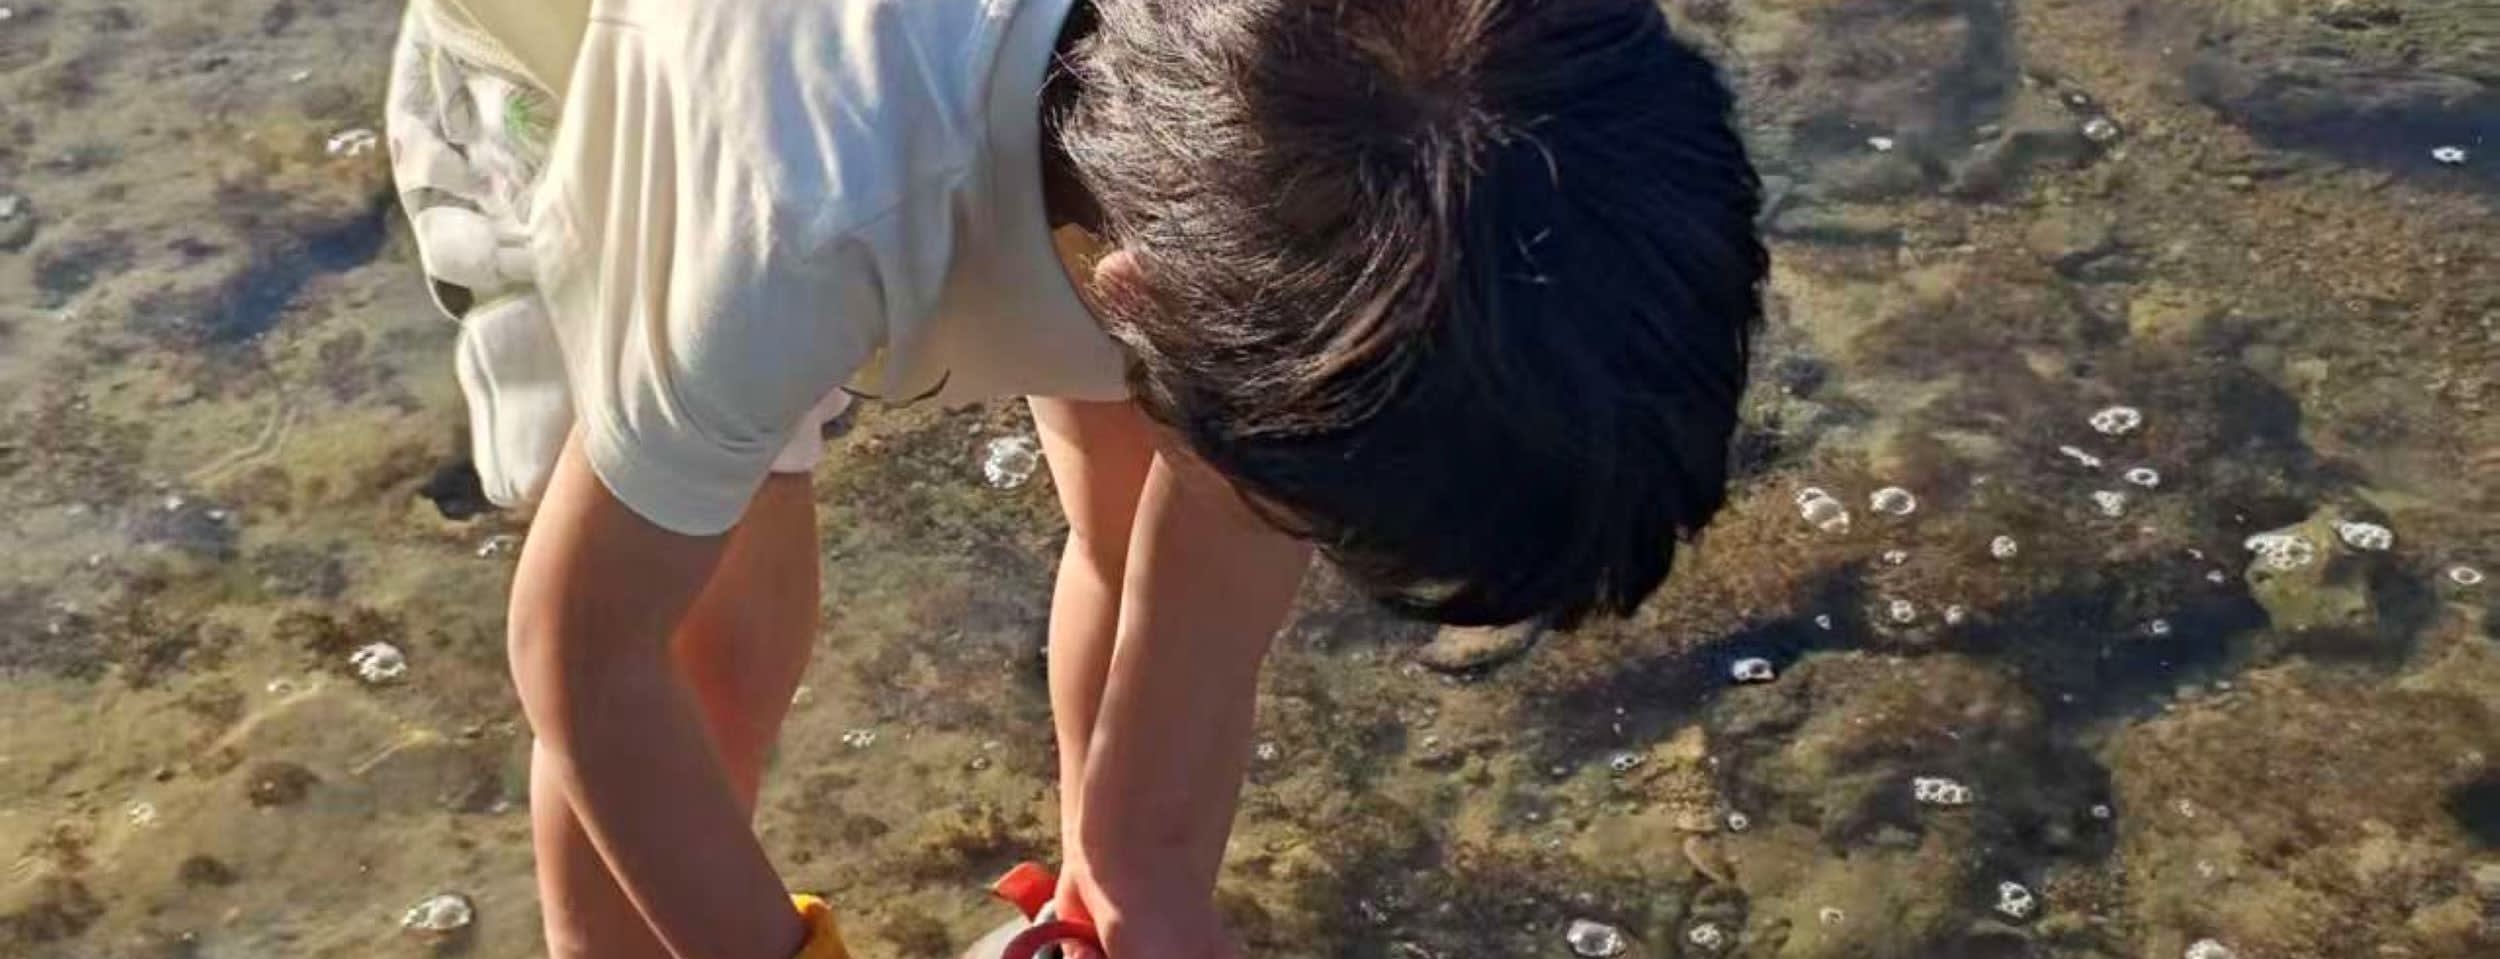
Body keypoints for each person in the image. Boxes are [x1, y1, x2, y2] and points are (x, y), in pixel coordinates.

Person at [383, 0, 1764, 955]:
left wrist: (1142, 882)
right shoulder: (792, 222)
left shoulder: (1339, 141)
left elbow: (1202, 554)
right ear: (1136, 296)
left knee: (1156, 468)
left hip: (984, 114)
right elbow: (581, 654)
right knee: (716, 641)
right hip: (593, 79)